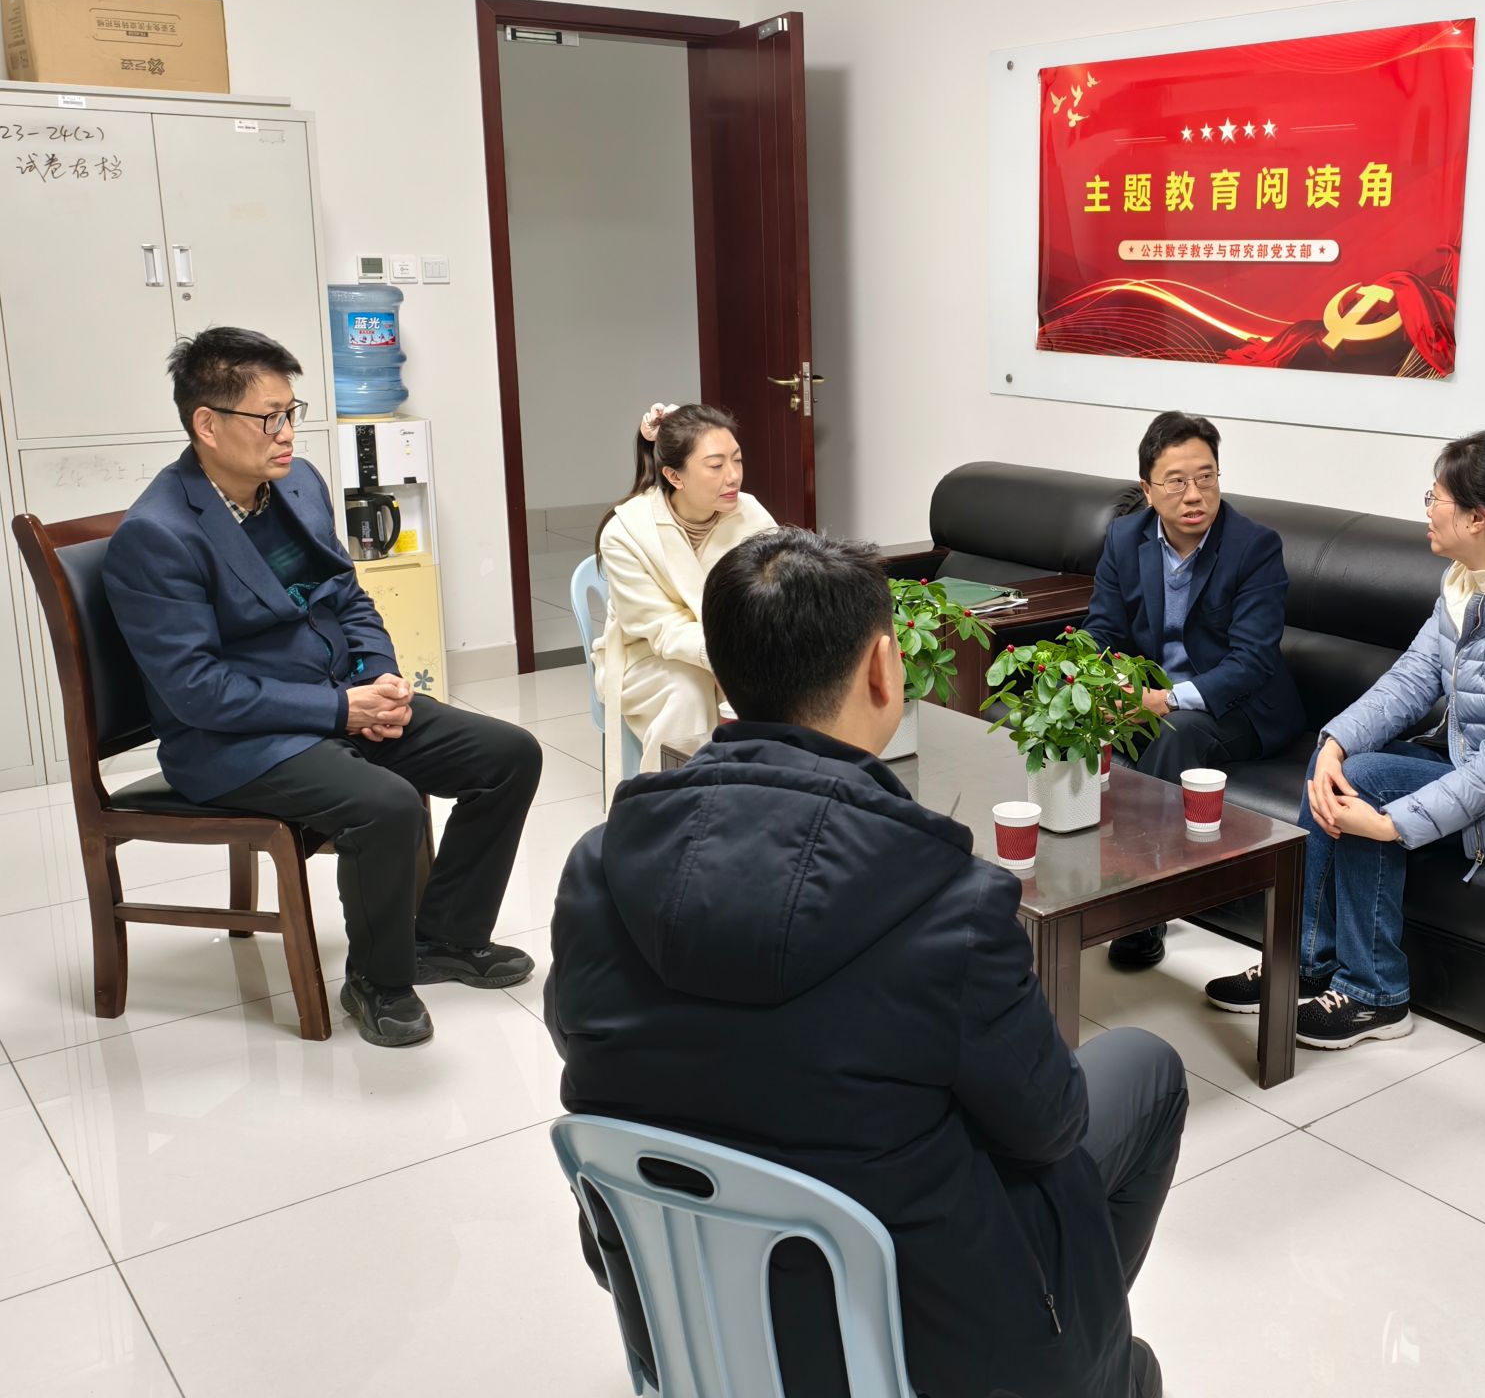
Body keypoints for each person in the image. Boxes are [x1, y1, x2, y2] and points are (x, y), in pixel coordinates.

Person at [547, 527, 1187, 1398]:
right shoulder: (952, 905)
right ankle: (1082, 1366)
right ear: (885, 670)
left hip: (689, 1319)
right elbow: (1049, 1124)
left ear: (724, 679)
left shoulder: (596, 868)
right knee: (1144, 1068)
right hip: (926, 1341)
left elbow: (590, 1048)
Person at [104, 328, 542, 1048]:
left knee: (508, 755)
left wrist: (378, 682)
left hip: (336, 699)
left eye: (291, 412)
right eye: (267, 418)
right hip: (234, 743)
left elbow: (347, 595)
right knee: (385, 805)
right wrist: (340, 709)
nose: (286, 433)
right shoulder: (159, 535)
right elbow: (198, 691)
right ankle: (377, 981)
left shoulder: (296, 483)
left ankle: (444, 938)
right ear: (206, 424)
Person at [1206, 430, 1485, 1047]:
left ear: (1478, 517)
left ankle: (1376, 995)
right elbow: (1411, 680)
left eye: (1434, 499)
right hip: (1477, 763)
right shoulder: (1469, 582)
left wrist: (1391, 825)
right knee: (1338, 763)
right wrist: (1332, 742)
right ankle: (1303, 962)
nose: (1428, 511)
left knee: (1366, 783)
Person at [1082, 410, 1304, 967]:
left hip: (1241, 707)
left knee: (1170, 733)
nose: (1194, 495)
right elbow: (1101, 630)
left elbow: (1251, 662)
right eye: (1176, 482)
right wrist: (1102, 686)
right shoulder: (1125, 537)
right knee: (1068, 717)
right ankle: (1072, 881)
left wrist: (1162, 700)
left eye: (1206, 477)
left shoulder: (1254, 547)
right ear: (1147, 490)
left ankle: (1140, 911)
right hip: (1152, 696)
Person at [590, 401, 775, 796]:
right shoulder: (626, 532)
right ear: (674, 475)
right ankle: (673, 805)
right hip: (648, 657)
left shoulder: (752, 515)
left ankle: (771, 797)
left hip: (739, 648)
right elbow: (660, 628)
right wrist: (726, 654)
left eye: (737, 460)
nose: (733, 476)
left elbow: (775, 593)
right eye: (715, 465)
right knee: (687, 691)